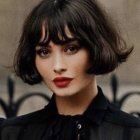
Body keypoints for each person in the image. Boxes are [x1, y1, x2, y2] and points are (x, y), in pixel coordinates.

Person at [1, 0, 140, 139]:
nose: (58, 66)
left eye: (71, 49)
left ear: (96, 47)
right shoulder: (11, 133)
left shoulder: (132, 133)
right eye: (44, 52)